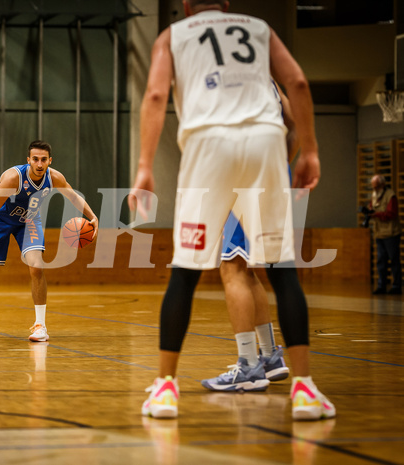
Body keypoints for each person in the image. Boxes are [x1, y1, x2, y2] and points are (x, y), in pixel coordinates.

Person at [130, 0, 335, 421]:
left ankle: (166, 388)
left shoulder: (173, 35)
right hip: (264, 142)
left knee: (185, 273)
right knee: (282, 271)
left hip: (208, 146)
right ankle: (305, 389)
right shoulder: (259, 27)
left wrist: (145, 167)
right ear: (226, 3)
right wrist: (310, 150)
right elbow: (297, 82)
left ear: (186, 6)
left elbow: (154, 94)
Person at [202, 83, 297, 392]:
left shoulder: (226, 74)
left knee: (232, 268)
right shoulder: (268, 76)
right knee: (249, 268)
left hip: (242, 173)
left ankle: (248, 367)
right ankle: (269, 357)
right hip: (274, 171)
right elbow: (293, 121)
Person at [0, 140, 98, 342]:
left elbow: (73, 196)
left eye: (44, 159)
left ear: (49, 161)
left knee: (37, 267)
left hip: (29, 220)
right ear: (28, 160)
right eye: (35, 159)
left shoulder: (54, 177)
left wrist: (92, 215)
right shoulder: (13, 179)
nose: (39, 164)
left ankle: (40, 326)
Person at [367, 175, 401, 295]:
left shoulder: (390, 195)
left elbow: (392, 213)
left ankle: (396, 286)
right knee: (381, 261)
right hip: (379, 233)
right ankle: (381, 286)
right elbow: (372, 207)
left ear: (382, 185)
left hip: (391, 233)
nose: (374, 189)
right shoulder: (375, 195)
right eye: (373, 187)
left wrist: (376, 215)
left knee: (394, 260)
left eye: (376, 186)